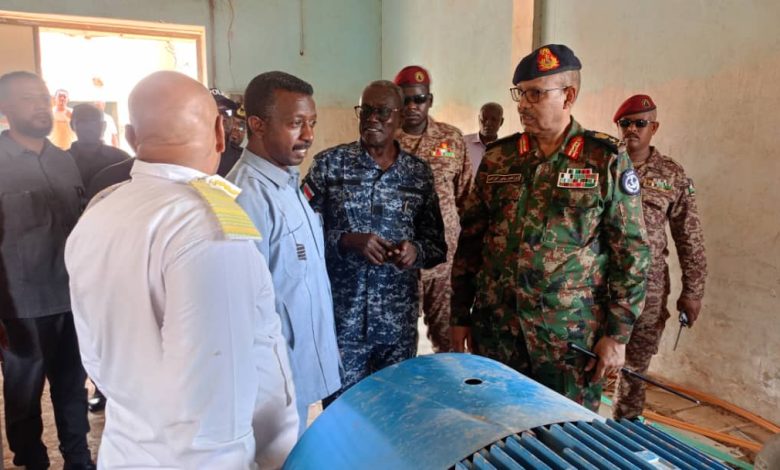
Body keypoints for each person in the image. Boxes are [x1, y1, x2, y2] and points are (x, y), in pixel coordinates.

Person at [65, 71, 298, 468]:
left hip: (126, 448)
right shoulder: (209, 227)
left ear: (131, 137)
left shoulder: (101, 211)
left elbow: (97, 353)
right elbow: (218, 410)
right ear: (220, 134)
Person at [450, 44, 651, 411]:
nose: (522, 105)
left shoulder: (603, 160)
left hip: (568, 340)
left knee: (564, 434)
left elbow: (632, 252)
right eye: (520, 94)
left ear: (568, 96)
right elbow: (471, 243)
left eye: (535, 94)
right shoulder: (499, 158)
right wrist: (460, 315)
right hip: (498, 333)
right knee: (496, 425)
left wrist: (617, 335)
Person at [303, 80, 447, 399]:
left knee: (393, 412)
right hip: (343, 325)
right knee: (342, 414)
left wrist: (415, 251)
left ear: (399, 117)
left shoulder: (417, 174)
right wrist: (345, 241)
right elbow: (298, 236)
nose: (372, 118)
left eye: (382, 111)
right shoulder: (330, 166)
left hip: (397, 327)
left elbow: (437, 246)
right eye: (366, 110)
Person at [228, 71, 341, 434]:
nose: (308, 135)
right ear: (257, 124)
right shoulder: (246, 197)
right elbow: (241, 307)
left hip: (299, 375)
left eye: (312, 123)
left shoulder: (288, 184)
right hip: (273, 386)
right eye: (296, 123)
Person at [0, 71, 94, 470]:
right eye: (27, 98)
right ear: (5, 108)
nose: (40, 105)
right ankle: (32, 461)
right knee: (23, 395)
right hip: (20, 307)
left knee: (72, 388)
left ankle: (79, 459)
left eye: (43, 96)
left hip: (72, 300)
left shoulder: (64, 161)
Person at [611, 94, 707, 419]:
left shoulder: (671, 174)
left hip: (647, 292)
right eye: (625, 123)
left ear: (654, 127)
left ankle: (623, 434)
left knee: (634, 372)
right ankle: (577, 435)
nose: (632, 129)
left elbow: (689, 237)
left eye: (640, 123)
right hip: (598, 287)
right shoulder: (602, 164)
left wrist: (693, 291)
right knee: (588, 364)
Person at [394, 65, 472, 352]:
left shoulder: (451, 139)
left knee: (449, 343)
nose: (412, 106)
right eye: (406, 100)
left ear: (430, 100)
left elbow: (466, 197)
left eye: (419, 99)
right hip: (398, 261)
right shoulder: (384, 139)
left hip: (443, 261)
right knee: (396, 345)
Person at [68, 103, 130, 190]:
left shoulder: (121, 159)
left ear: (103, 126)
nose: (89, 127)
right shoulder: (62, 162)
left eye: (94, 121)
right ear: (71, 125)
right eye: (82, 121)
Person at [464, 102, 504, 177]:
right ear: (479, 119)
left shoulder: (505, 149)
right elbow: (445, 156)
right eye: (484, 118)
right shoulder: (462, 143)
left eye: (494, 119)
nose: (488, 123)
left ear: (501, 122)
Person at [211, 88, 244, 177]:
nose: (223, 117)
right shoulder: (189, 154)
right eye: (217, 111)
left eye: (227, 112)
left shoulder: (241, 159)